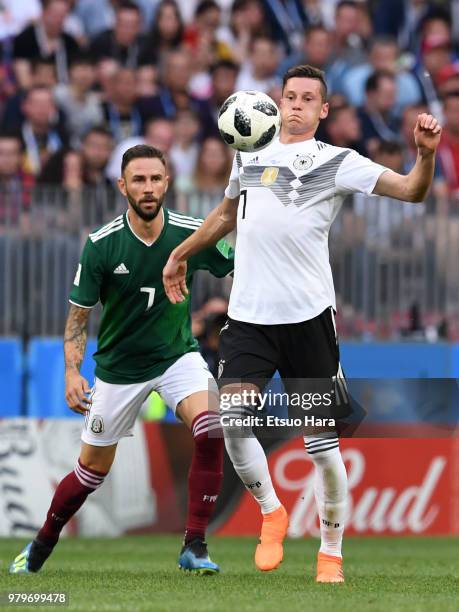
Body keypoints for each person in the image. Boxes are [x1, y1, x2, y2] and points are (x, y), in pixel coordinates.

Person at [162, 64, 442, 582]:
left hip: (308, 321)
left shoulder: (337, 161)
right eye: (288, 96)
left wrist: (425, 155)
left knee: (322, 449)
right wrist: (180, 253)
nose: (295, 105)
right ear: (277, 102)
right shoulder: (249, 152)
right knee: (236, 424)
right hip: (248, 318)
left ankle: (330, 553)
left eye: (306, 98)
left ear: (323, 109)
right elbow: (227, 214)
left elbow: (411, 192)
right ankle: (272, 511)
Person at [9, 144, 234, 575]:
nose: (148, 189)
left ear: (167, 181)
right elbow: (79, 316)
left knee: (210, 428)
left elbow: (237, 267)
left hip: (177, 356)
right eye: (138, 180)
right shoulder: (101, 245)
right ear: (122, 186)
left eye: (155, 179)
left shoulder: (192, 234)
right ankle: (39, 546)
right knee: (90, 474)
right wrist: (73, 372)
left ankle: (195, 546)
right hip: (118, 370)